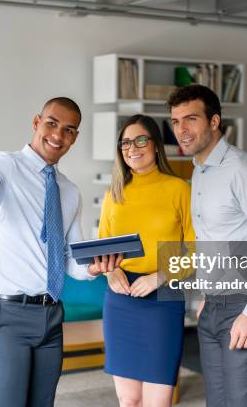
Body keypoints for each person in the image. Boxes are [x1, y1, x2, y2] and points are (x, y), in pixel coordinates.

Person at [0, 97, 121, 407]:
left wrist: (95, 267)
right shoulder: (4, 165)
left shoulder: (69, 191)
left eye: (69, 130)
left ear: (75, 137)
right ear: (36, 122)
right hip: (3, 317)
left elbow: (71, 262)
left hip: (50, 318)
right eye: (51, 124)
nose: (58, 135)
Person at [168, 84, 247, 407]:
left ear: (214, 121)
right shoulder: (200, 170)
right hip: (214, 309)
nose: (181, 129)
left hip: (246, 305)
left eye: (190, 119)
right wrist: (207, 294)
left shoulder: (242, 171)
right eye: (175, 121)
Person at [99, 114, 195, 407]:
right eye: (125, 142)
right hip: (121, 299)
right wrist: (110, 272)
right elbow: (103, 248)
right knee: (129, 400)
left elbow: (195, 248)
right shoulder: (113, 194)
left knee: (158, 402)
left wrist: (161, 276)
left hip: (163, 295)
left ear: (155, 145)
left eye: (140, 139)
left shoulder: (179, 189)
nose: (132, 148)